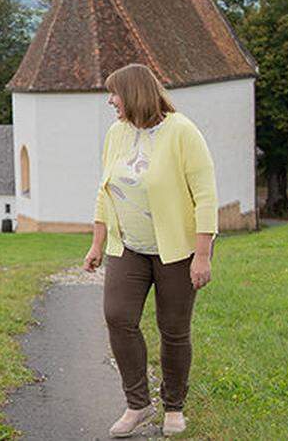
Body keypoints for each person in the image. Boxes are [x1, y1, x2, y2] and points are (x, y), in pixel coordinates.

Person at [82, 63, 217, 438]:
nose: (111, 101)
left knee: (173, 329)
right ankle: (137, 404)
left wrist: (202, 255)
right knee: (118, 317)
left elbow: (205, 197)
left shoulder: (182, 132)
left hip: (177, 251)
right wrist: (97, 243)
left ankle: (174, 406)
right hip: (128, 248)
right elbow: (104, 190)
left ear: (136, 94)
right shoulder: (116, 133)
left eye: (115, 94)